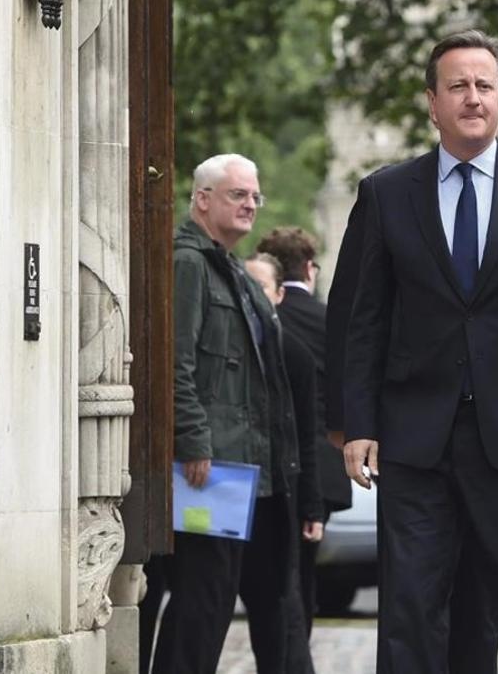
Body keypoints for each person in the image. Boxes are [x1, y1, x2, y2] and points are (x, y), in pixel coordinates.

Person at [330, 29, 498, 674]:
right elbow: (360, 317)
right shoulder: (387, 192)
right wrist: (356, 424)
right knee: (411, 603)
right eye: (457, 86)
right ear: (432, 102)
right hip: (415, 435)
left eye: (484, 85)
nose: (473, 97)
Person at [154, 153, 301, 673]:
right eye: (237, 194)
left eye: (254, 196)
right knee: (203, 600)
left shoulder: (231, 268)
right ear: (202, 199)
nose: (249, 205)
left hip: (248, 468)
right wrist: (193, 442)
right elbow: (174, 362)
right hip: (208, 468)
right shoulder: (189, 262)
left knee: (228, 600)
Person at [256, 227, 353, 628]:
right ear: (309, 268)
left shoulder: (263, 316)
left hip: (268, 459)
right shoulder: (330, 319)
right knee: (303, 575)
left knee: (268, 574)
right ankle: (298, 647)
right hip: (321, 465)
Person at [246, 252, 328, 674]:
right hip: (232, 490)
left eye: (260, 285)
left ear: (279, 294)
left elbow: (307, 438)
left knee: (282, 602)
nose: (251, 293)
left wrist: (311, 507)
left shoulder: (292, 352)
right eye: (246, 283)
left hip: (281, 492)